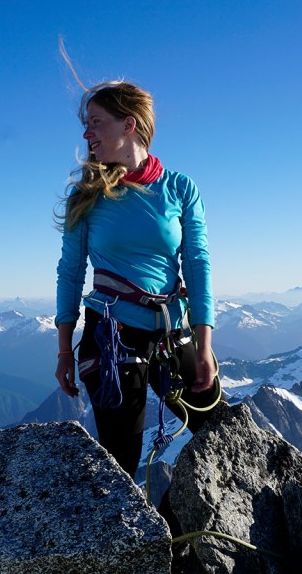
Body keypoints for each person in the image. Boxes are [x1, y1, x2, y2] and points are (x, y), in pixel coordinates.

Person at [54, 80, 218, 478]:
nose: (86, 133)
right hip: (111, 335)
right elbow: (71, 271)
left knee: (219, 434)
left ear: (129, 125)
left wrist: (205, 343)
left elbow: (197, 263)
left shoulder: (180, 188)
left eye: (95, 122)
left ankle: (184, 532)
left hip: (171, 331)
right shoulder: (87, 195)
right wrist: (63, 351)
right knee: (123, 462)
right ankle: (144, 540)